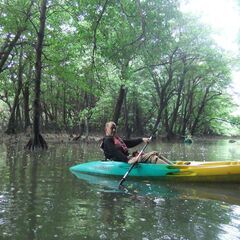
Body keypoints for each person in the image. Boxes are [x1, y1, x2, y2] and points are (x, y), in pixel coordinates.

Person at [101, 121, 171, 164]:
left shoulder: (116, 139)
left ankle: (172, 165)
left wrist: (142, 139)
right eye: (112, 128)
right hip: (121, 162)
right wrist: (127, 160)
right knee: (152, 157)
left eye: (115, 128)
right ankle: (171, 169)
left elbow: (129, 143)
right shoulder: (107, 140)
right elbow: (114, 152)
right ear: (106, 129)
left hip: (127, 159)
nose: (114, 130)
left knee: (155, 153)